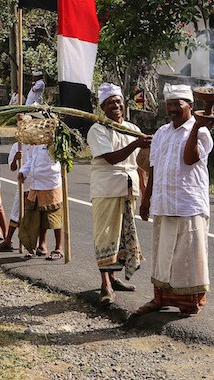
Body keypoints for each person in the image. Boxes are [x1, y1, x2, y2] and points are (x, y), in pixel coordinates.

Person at [135, 83, 214, 317]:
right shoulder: (161, 133)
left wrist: (196, 127)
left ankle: (190, 303)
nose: (172, 108)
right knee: (163, 252)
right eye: (169, 104)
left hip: (188, 202)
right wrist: (146, 199)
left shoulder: (201, 131)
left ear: (190, 106)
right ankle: (160, 298)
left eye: (177, 104)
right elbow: (153, 168)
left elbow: (190, 159)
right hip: (164, 201)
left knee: (187, 255)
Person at [88, 83, 150, 303]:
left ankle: (114, 278)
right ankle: (105, 284)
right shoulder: (98, 129)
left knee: (123, 235)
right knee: (105, 234)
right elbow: (111, 158)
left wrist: (145, 196)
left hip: (128, 188)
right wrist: (136, 145)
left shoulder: (132, 128)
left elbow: (142, 166)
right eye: (110, 102)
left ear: (124, 104)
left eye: (118, 101)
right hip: (106, 188)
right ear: (102, 107)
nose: (116, 105)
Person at [16, 119, 66, 260]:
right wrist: (23, 171)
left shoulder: (55, 142)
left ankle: (59, 248)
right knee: (36, 216)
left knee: (54, 216)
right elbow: (30, 160)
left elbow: (61, 161)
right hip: (35, 184)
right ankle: (41, 245)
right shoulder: (35, 144)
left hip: (50, 184)